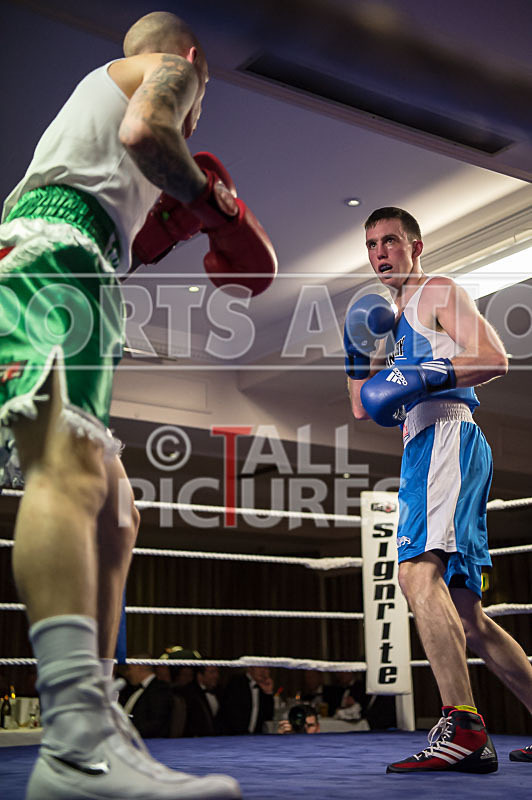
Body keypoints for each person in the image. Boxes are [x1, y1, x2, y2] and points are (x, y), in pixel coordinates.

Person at [0, 10, 275, 799]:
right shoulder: (171, 74)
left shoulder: (85, 132)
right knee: (72, 474)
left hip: (74, 263)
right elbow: (150, 130)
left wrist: (174, 219)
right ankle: (74, 745)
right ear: (193, 63)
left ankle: (98, 727)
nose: (195, 111)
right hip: (55, 258)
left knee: (118, 512)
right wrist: (217, 206)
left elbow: (135, 205)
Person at [344, 206, 532, 772]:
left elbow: (495, 358)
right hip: (423, 447)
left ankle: (464, 731)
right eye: (372, 244)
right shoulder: (386, 317)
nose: (381, 253)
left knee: (414, 573)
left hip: (447, 434)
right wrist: (356, 353)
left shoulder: (437, 291)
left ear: (415, 246)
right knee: (467, 613)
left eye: (391, 242)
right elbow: (362, 407)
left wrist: (427, 373)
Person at [118, 656, 173, 738]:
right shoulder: (134, 688)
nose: (127, 673)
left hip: (147, 742)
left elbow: (155, 725)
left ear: (139, 667)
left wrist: (126, 732)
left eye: (129, 668)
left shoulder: (159, 689)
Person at [220, 666, 275, 734]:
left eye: (266, 668)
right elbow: (231, 714)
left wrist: (268, 692)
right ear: (250, 668)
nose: (263, 671)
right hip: (233, 737)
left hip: (254, 738)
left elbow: (268, 717)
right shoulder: (236, 682)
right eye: (259, 667)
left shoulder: (263, 687)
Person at [181, 665, 223, 737]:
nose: (216, 676)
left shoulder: (220, 691)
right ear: (200, 676)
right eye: (212, 672)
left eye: (217, 672)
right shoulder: (189, 693)